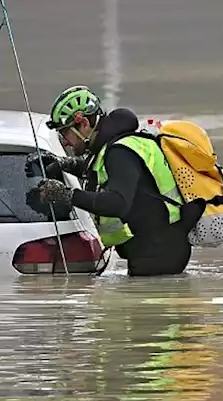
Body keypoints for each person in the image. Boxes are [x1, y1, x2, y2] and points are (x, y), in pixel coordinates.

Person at [24, 85, 196, 277]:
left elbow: (117, 203)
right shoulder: (118, 146)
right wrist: (67, 164)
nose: (65, 142)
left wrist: (67, 195)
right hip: (159, 248)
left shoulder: (120, 152)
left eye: (65, 133)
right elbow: (106, 173)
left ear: (83, 124)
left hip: (158, 254)